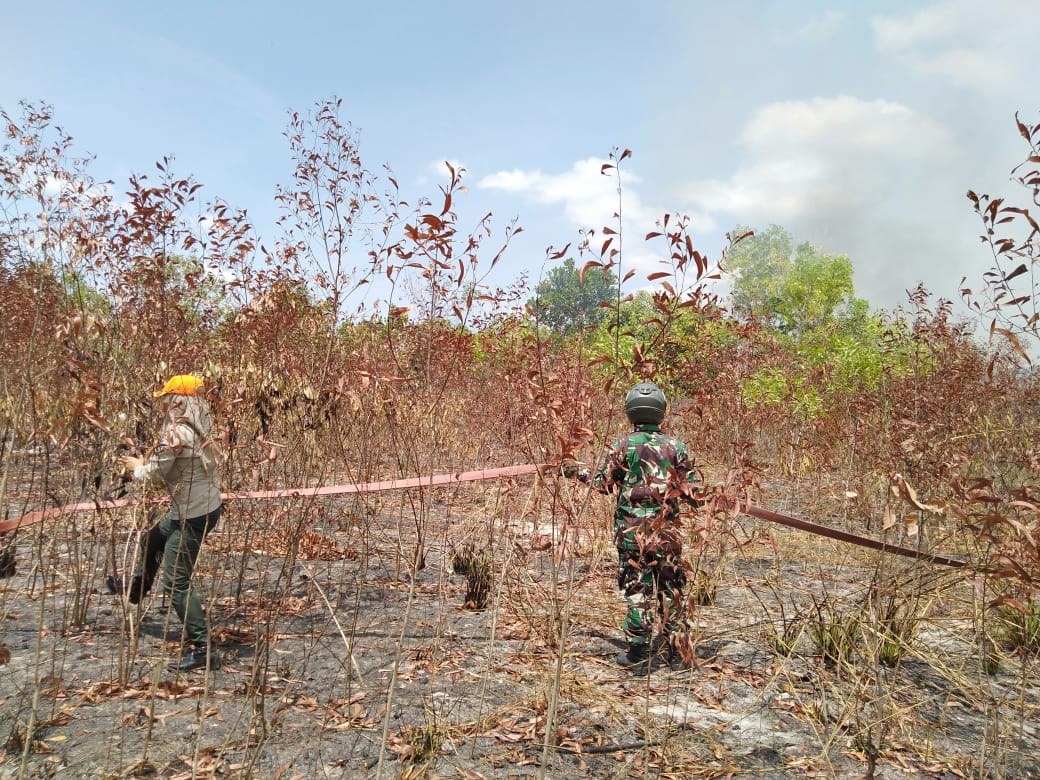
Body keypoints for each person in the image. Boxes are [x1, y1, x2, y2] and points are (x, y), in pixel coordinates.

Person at [564, 382, 701, 672]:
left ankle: (638, 650)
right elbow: (692, 493)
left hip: (631, 533)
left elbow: (603, 485)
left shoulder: (622, 446)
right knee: (671, 589)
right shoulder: (676, 447)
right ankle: (677, 653)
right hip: (667, 534)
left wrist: (577, 472)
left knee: (637, 589)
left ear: (630, 411)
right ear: (661, 411)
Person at [118, 374, 223, 672]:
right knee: (152, 538)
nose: (163, 405)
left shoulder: (177, 433)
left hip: (191, 515)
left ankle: (204, 649)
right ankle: (138, 588)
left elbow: (155, 475)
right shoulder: (203, 428)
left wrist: (137, 467)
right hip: (202, 507)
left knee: (176, 582)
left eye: (167, 399)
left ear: (178, 401)